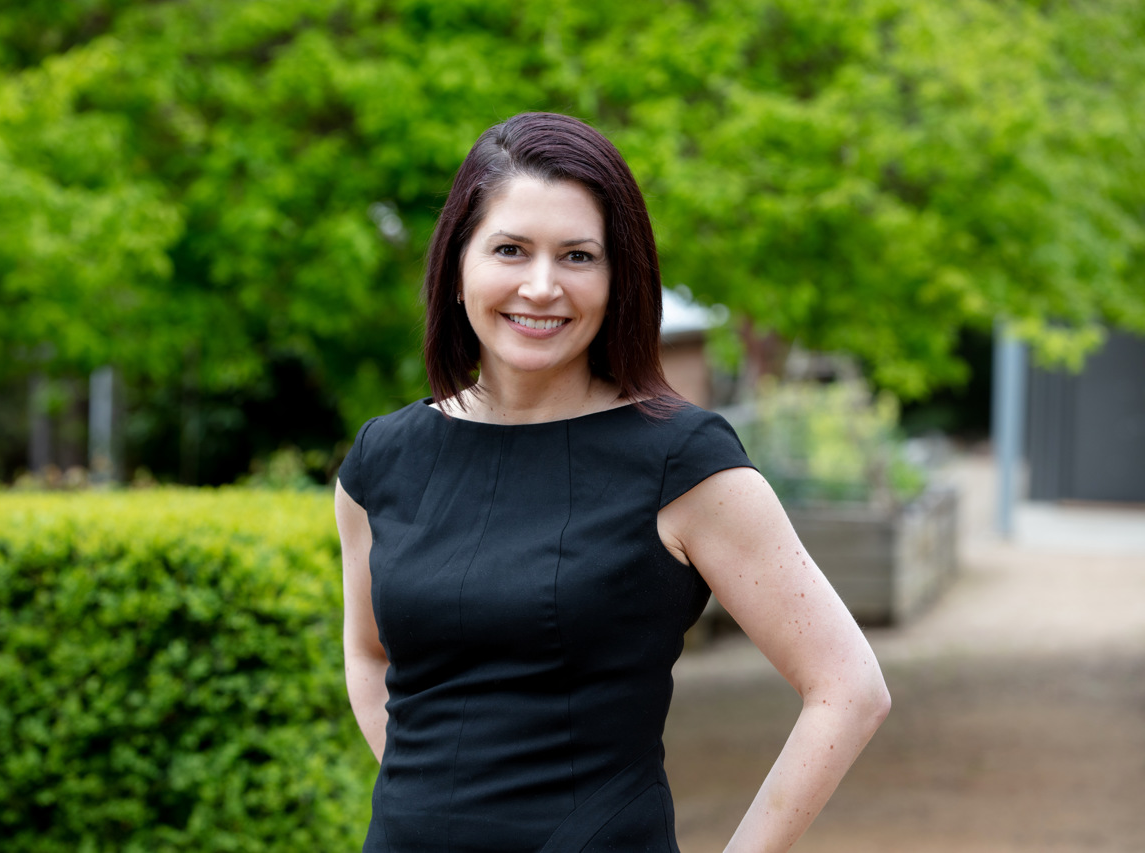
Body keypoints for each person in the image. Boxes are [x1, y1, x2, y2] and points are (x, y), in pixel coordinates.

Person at [335, 112, 890, 852]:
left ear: (618, 275)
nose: (541, 286)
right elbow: (370, 654)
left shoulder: (682, 461)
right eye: (509, 249)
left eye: (577, 255)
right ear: (458, 265)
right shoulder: (382, 460)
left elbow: (848, 687)